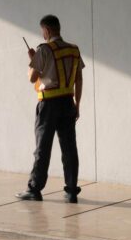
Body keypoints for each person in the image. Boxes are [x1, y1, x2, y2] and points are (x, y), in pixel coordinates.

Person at [16, 15, 84, 203]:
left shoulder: (43, 49)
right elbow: (79, 79)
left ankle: (34, 189)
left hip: (48, 105)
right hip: (67, 103)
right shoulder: (74, 50)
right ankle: (71, 191)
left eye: (42, 31)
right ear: (58, 28)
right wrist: (77, 105)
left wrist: (33, 61)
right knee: (69, 147)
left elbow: (32, 77)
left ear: (46, 30)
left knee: (42, 148)